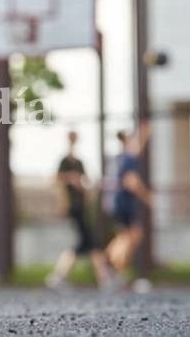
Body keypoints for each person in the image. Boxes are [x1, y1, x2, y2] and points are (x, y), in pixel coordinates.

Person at [46, 131, 111, 290]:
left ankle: (103, 278)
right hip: (73, 207)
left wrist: (87, 184)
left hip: (81, 206)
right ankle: (104, 278)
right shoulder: (65, 162)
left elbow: (86, 181)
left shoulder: (79, 162)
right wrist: (70, 179)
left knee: (88, 243)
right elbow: (55, 179)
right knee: (89, 243)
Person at [106, 123, 154, 290]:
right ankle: (114, 270)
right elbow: (131, 181)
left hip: (117, 203)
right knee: (131, 236)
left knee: (126, 237)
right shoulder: (130, 158)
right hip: (124, 203)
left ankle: (114, 269)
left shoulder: (120, 158)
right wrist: (148, 197)